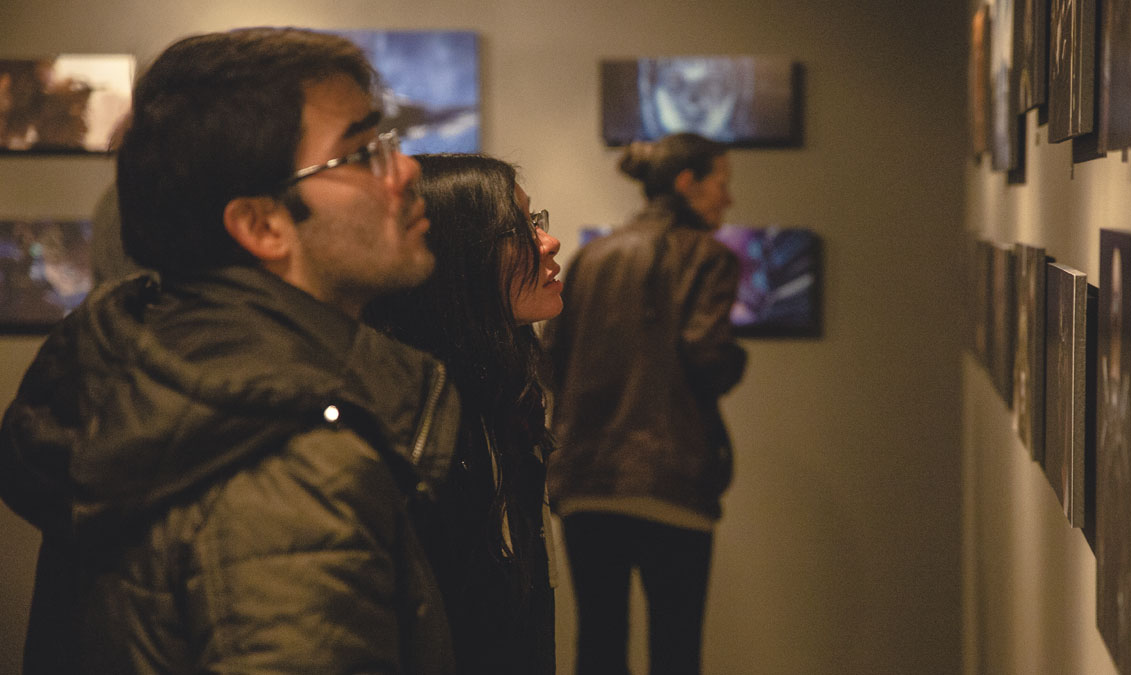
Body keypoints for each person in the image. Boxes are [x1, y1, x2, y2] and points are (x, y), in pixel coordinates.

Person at [0, 28, 462, 674]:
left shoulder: (163, 384)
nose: (407, 169)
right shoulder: (292, 462)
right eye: (361, 154)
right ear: (261, 224)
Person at [545, 132, 747, 675]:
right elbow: (706, 357)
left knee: (598, 646)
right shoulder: (708, 257)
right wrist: (737, 361)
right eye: (721, 183)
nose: (728, 199)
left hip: (585, 481)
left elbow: (551, 360)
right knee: (675, 652)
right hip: (670, 479)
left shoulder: (591, 256)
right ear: (686, 183)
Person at [362, 153, 563, 674]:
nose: (549, 242)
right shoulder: (414, 421)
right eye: (519, 228)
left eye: (535, 220)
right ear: (458, 258)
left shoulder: (504, 396)